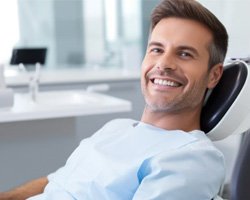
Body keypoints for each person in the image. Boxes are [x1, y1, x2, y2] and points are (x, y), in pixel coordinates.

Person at [0, 0, 228, 199]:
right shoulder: (116, 128)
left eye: (184, 54)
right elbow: (56, 182)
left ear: (213, 75)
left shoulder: (191, 158)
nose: (164, 64)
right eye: (156, 49)